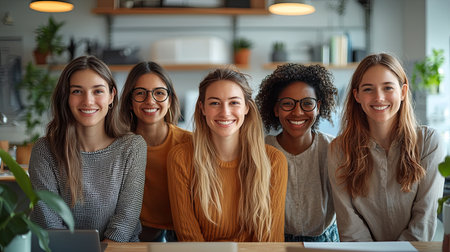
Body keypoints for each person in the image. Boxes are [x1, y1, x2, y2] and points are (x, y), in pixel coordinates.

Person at [328, 53, 445, 241]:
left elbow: (424, 218)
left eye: (388, 87)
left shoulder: (430, 142)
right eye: (368, 89)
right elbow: (350, 226)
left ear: (403, 91)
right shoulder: (338, 149)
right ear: (357, 95)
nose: (379, 97)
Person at [29, 56, 147, 242]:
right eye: (77, 91)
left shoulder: (132, 147)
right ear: (66, 97)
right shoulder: (44, 150)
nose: (88, 101)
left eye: (97, 91)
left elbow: (125, 220)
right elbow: (49, 221)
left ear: (111, 95)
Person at [167, 68, 288, 241]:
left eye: (234, 103)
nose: (225, 112)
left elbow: (271, 240)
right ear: (202, 108)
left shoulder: (274, 161)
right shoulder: (181, 159)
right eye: (215, 103)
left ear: (246, 107)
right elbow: (189, 238)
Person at [255, 63, 339, 242]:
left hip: (326, 241)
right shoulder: (260, 151)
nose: (298, 112)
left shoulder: (334, 149)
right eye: (287, 104)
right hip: (275, 240)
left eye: (307, 103)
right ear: (275, 109)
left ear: (318, 107)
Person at [119, 61, 191, 242]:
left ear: (170, 100)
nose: (150, 101)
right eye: (140, 93)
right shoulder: (118, 146)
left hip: (183, 235)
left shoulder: (190, 143)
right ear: (129, 102)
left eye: (159, 93)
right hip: (135, 236)